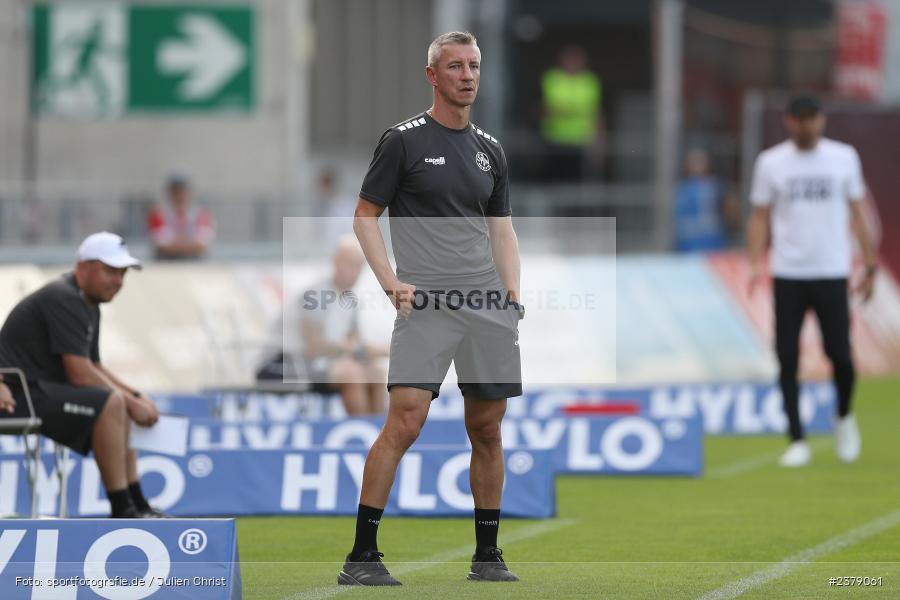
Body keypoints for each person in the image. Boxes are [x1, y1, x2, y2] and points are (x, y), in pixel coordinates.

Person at [338, 31, 523, 586]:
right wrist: (390, 280)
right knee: (406, 419)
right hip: (429, 306)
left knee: (487, 429)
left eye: (474, 66)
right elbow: (364, 215)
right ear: (432, 75)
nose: (467, 75)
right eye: (455, 67)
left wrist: (512, 294)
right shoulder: (403, 141)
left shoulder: (491, 149)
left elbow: (503, 229)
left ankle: (487, 556)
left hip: (487, 306)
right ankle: (361, 557)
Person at [747, 95, 878, 468]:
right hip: (789, 271)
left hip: (832, 269)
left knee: (840, 355)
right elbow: (759, 215)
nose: (808, 126)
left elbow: (858, 210)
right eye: (801, 119)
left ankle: (844, 417)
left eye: (814, 118)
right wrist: (755, 261)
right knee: (786, 356)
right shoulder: (771, 162)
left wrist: (869, 265)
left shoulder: (843, 157)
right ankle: (797, 438)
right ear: (790, 122)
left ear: (822, 120)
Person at [0, 232, 164, 517]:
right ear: (83, 268)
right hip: (16, 396)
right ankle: (123, 508)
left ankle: (138, 503)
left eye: (123, 273)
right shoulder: (63, 298)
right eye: (111, 271)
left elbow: (95, 366)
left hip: (37, 390)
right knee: (114, 402)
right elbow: (80, 374)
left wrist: (136, 395)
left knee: (119, 402)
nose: (119, 281)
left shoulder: (86, 302)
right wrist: (130, 401)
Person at [256, 236, 387, 415]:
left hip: (312, 363)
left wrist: (371, 352)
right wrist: (367, 350)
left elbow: (356, 346)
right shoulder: (317, 294)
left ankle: (378, 436)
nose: (355, 272)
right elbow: (314, 346)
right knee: (351, 374)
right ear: (336, 262)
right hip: (281, 362)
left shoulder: (350, 301)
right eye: (351, 264)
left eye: (359, 266)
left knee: (376, 373)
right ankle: (362, 430)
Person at [540, 45, 603, 181]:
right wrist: (572, 110)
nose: (573, 63)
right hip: (555, 138)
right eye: (569, 59)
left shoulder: (590, 81)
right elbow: (547, 109)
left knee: (578, 179)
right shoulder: (552, 78)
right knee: (555, 177)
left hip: (580, 140)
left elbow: (595, 112)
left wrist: (597, 140)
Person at [673, 148, 740, 252]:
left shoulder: (717, 186)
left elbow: (731, 207)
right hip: (687, 245)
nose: (697, 165)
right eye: (693, 161)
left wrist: (730, 227)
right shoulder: (681, 188)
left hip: (713, 243)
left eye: (700, 161)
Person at [147, 171, 214, 259]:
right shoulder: (158, 213)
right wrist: (189, 244)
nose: (180, 195)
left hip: (194, 260)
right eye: (176, 191)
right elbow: (161, 244)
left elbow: (202, 244)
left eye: (183, 191)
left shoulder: (200, 213)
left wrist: (174, 244)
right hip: (166, 260)